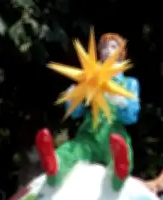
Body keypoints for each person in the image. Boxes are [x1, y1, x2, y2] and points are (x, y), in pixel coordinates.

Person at [35, 32, 140, 190]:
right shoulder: (89, 77)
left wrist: (122, 103)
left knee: (121, 151)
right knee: (72, 150)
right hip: (89, 133)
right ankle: (54, 165)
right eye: (103, 47)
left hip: (113, 134)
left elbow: (132, 117)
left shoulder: (129, 83)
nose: (107, 50)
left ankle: (118, 174)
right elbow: (76, 113)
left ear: (121, 53)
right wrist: (74, 97)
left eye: (113, 46)